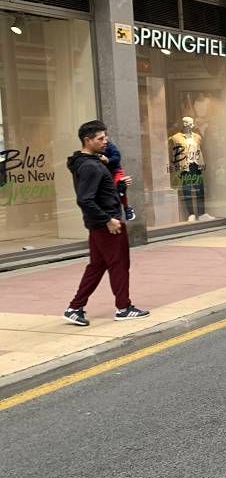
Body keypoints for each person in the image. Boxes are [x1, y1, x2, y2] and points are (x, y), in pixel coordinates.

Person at [63, 120, 150, 326]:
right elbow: (85, 199)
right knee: (119, 264)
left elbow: (99, 192)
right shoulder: (90, 166)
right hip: (107, 224)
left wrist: (118, 184)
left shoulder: (89, 162)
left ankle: (75, 307)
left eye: (106, 137)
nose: (105, 142)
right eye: (100, 138)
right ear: (87, 140)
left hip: (100, 223)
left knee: (97, 266)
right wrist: (108, 220)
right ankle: (124, 308)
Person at [100, 139, 136, 222]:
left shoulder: (110, 146)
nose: (104, 141)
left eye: (104, 137)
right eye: (100, 138)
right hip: (104, 174)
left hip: (116, 172)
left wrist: (108, 160)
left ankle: (127, 208)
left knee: (120, 188)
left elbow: (117, 157)